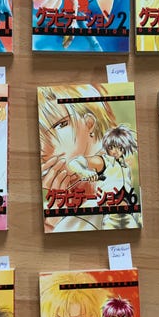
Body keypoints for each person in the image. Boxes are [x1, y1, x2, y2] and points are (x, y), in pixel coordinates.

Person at [38, 84, 117, 232]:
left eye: (60, 125)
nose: (43, 148)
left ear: (89, 123)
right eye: (41, 135)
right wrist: (56, 207)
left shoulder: (115, 179)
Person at [67, 125, 141, 229]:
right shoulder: (103, 161)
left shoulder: (125, 167)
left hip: (128, 214)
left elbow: (130, 192)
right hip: (111, 216)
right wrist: (85, 172)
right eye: (111, 147)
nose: (115, 151)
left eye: (120, 148)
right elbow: (74, 163)